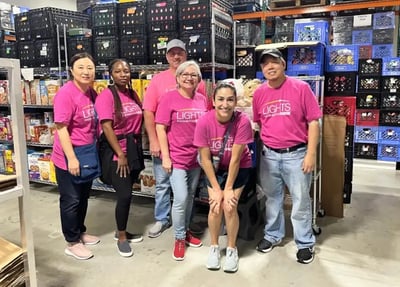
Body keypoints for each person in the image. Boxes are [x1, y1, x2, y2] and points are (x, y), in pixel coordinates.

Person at [252, 48, 322, 264]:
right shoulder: (259, 93)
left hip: (297, 154)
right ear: (262, 69)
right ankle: (273, 235)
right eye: (265, 64)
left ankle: (304, 243)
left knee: (300, 200)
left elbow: (313, 122)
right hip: (269, 155)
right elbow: (259, 122)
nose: (270, 67)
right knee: (273, 198)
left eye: (274, 62)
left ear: (284, 64)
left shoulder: (301, 88)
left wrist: (311, 154)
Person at [143, 39, 208, 238]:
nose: (176, 57)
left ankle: (184, 224)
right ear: (167, 56)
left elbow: (204, 112)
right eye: (172, 53)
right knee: (163, 184)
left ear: (185, 55)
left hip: (191, 151)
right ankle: (162, 219)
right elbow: (148, 112)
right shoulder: (158, 80)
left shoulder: (199, 83)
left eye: (180, 53)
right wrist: (153, 140)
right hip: (166, 145)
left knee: (188, 191)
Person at [193, 81, 253, 273]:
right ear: (213, 101)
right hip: (215, 167)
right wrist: (216, 190)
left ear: (236, 102)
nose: (225, 104)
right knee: (215, 205)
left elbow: (236, 160)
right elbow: (204, 158)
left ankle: (231, 249)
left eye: (229, 100)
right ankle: (213, 247)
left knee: (229, 205)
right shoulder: (204, 121)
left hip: (239, 167)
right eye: (220, 99)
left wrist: (227, 190)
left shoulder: (242, 121)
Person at [155, 60, 208, 261]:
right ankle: (178, 237)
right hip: (175, 158)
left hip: (195, 158)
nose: (189, 77)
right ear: (178, 78)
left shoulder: (202, 99)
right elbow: (160, 127)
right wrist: (166, 157)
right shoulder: (169, 98)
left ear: (198, 80)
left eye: (193, 74)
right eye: (184, 74)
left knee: (191, 196)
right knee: (181, 198)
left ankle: (185, 231)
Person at [51, 52, 100, 260]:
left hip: (87, 154)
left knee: (83, 197)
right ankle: (71, 242)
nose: (86, 71)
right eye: (80, 67)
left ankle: (80, 231)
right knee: (71, 199)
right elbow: (61, 128)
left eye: (89, 67)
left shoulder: (91, 92)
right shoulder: (66, 93)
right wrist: (71, 158)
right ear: (71, 70)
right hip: (69, 156)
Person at [95, 59, 144, 257]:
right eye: (118, 71)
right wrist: (120, 154)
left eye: (126, 71)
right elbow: (107, 127)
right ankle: (121, 236)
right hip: (118, 152)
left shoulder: (132, 94)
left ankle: (121, 229)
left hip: (133, 149)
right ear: (110, 74)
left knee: (128, 192)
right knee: (124, 195)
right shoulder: (106, 96)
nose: (123, 74)